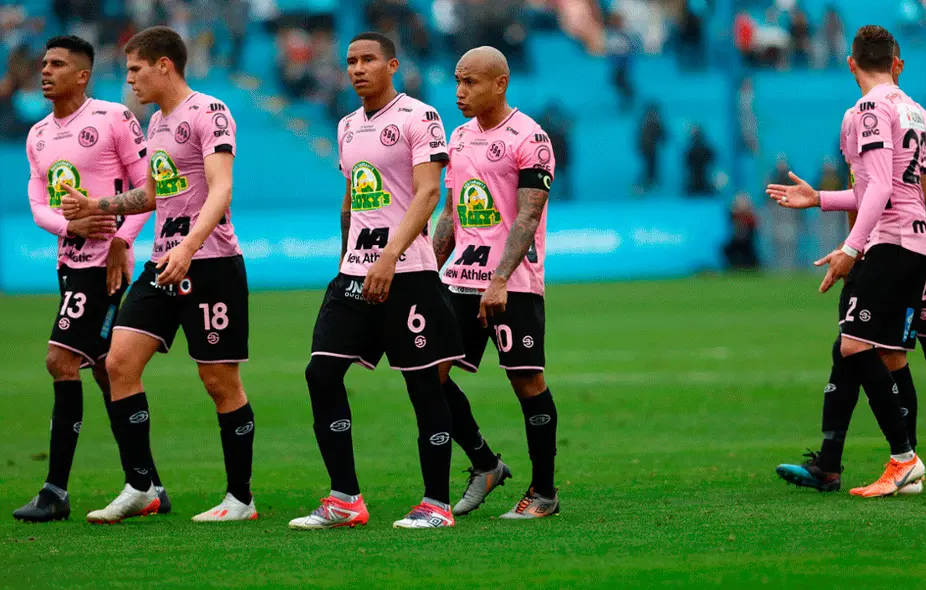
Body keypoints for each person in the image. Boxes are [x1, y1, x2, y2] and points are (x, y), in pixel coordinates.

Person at [767, 27, 926, 497]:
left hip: (893, 243)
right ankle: (842, 463)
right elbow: (900, 191)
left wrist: (850, 249)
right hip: (925, 244)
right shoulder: (923, 116)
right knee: (884, 350)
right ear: (895, 63)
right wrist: (820, 198)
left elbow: (880, 190)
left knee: (855, 346)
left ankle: (904, 458)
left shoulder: (868, 110)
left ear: (850, 63)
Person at [60, 26, 257, 523]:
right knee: (118, 363)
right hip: (163, 262)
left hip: (209, 263)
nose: (129, 81)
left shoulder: (209, 112)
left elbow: (221, 188)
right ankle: (141, 485)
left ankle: (240, 499)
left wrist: (191, 246)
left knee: (219, 381)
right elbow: (152, 194)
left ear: (164, 64)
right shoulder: (158, 124)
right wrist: (98, 203)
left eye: (135, 69)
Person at [287, 32, 463, 531]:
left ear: (392, 65)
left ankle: (437, 505)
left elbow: (428, 194)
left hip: (407, 273)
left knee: (424, 386)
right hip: (354, 275)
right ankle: (345, 498)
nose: (358, 68)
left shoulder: (419, 117)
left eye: (368, 60)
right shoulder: (346, 126)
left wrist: (389, 255)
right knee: (321, 374)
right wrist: (347, 258)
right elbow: (351, 199)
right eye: (351, 61)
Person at [13, 35, 171, 523]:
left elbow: (153, 186)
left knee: (59, 360)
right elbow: (39, 203)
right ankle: (149, 484)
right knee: (106, 372)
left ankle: (55, 490)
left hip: (104, 267)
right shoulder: (37, 134)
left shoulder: (111, 119)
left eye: (57, 64)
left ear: (82, 75)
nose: (45, 71)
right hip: (68, 263)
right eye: (43, 63)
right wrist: (69, 226)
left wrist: (123, 240)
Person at [431, 46, 560, 519]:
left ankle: (544, 492)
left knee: (527, 381)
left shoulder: (532, 137)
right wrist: (427, 267)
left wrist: (501, 279)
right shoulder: (459, 137)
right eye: (458, 81)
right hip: (460, 277)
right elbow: (452, 213)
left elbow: (528, 215)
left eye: (471, 83)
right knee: (431, 374)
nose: (460, 92)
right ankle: (485, 463)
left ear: (500, 83)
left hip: (513, 282)